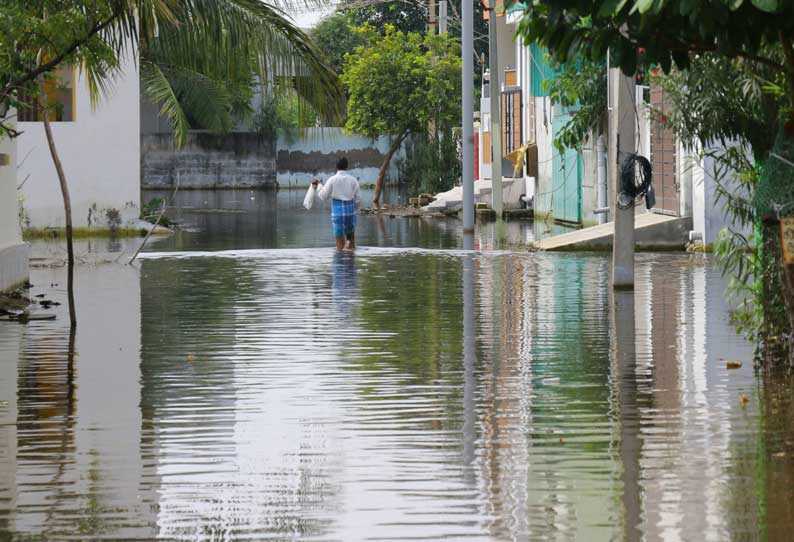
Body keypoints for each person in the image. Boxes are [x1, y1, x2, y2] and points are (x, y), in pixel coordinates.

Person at [312, 157, 361, 251]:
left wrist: (318, 186)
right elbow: (358, 199)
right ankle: (350, 260)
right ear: (347, 167)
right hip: (350, 212)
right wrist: (355, 208)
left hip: (338, 213)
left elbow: (323, 196)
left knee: (340, 242)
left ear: (336, 167)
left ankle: (340, 261)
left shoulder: (332, 180)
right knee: (350, 240)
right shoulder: (353, 180)